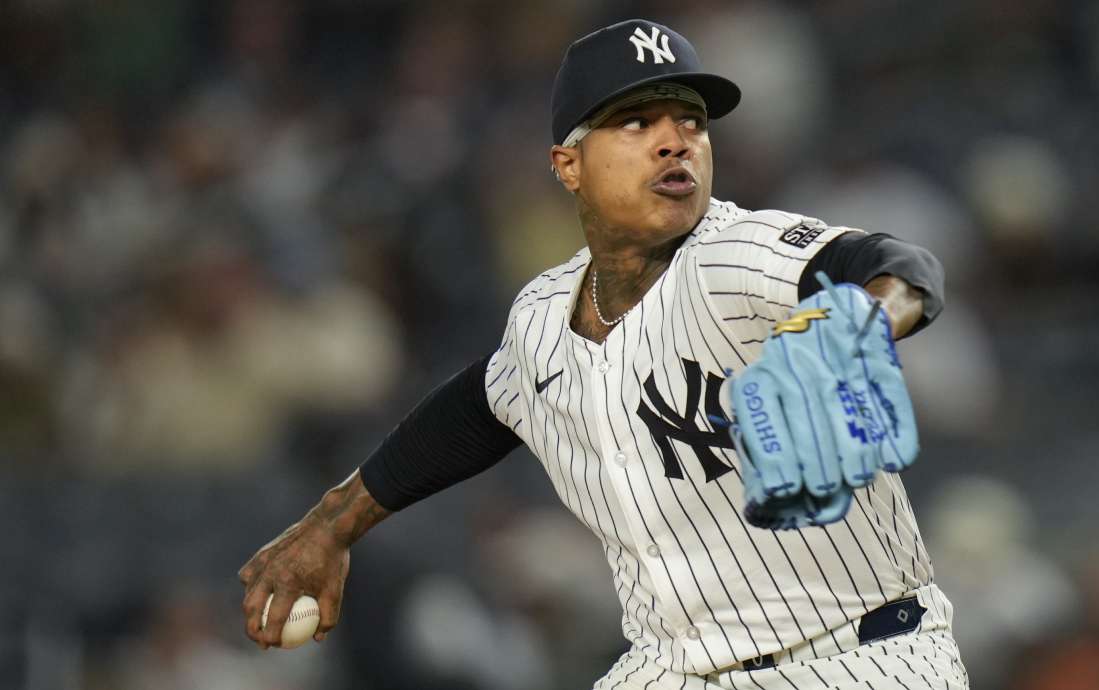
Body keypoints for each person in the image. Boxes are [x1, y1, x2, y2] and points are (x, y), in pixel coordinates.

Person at [239, 19, 969, 689]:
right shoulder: (542, 316)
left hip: (855, 656)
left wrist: (863, 320)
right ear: (568, 164)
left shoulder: (734, 255)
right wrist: (331, 525)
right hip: (674, 668)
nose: (675, 140)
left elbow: (897, 266)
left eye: (691, 121)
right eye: (636, 121)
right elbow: (473, 412)